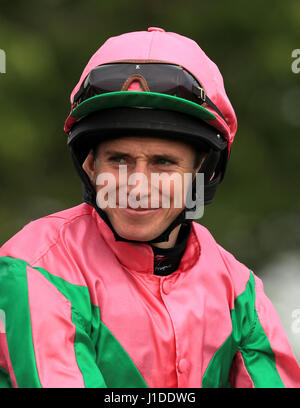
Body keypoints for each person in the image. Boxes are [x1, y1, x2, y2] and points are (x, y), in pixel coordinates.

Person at [0, 27, 299, 388]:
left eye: (163, 162)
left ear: (201, 172)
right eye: (119, 159)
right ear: (90, 166)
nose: (137, 185)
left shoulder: (239, 289)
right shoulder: (35, 268)